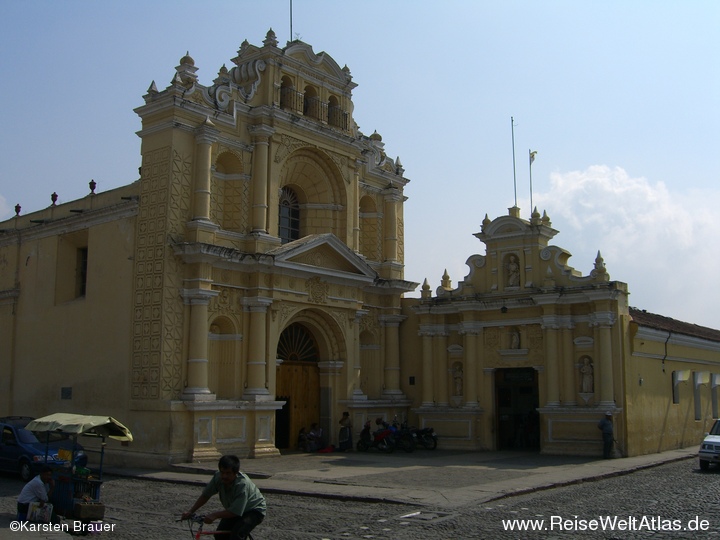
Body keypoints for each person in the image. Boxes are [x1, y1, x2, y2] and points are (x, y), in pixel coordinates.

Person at [182, 455, 265, 540]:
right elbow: (206, 495)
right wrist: (190, 511)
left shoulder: (242, 484)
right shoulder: (218, 477)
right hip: (233, 509)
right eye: (222, 472)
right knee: (220, 535)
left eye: (228, 473)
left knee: (237, 535)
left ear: (235, 473)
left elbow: (235, 512)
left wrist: (214, 515)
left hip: (253, 510)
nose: (224, 476)